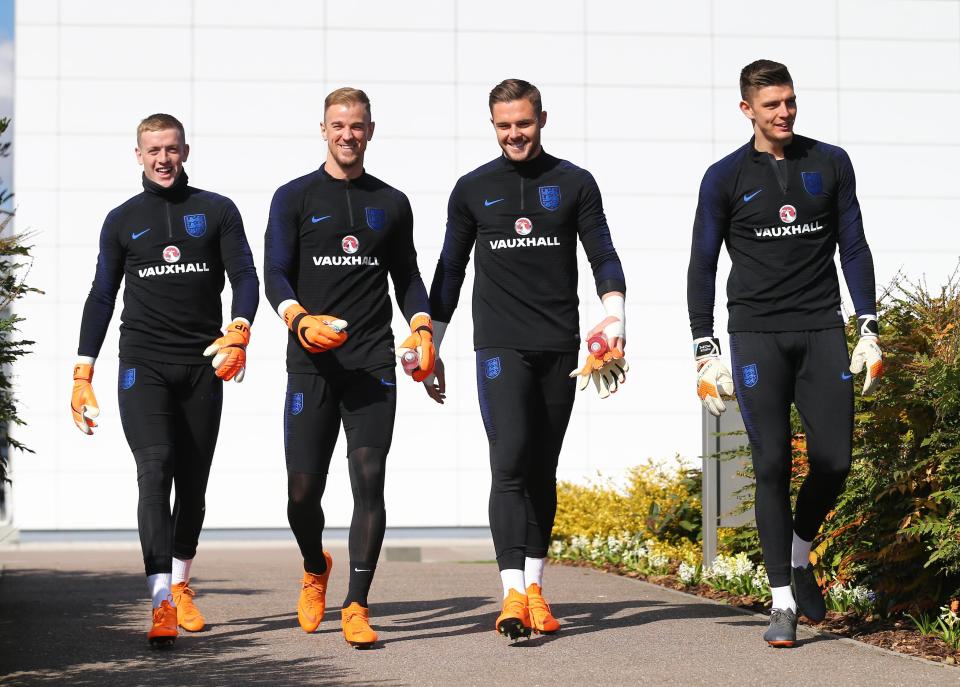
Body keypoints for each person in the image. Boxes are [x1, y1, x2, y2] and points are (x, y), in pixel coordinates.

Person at [686, 60, 882, 647]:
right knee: (770, 462)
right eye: (771, 104)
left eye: (790, 101)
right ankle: (781, 603)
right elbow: (701, 261)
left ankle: (799, 553)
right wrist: (703, 346)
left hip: (821, 329)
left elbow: (854, 245)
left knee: (835, 461)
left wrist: (867, 325)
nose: (784, 112)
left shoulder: (830, 162)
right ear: (747, 109)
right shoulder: (723, 177)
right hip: (756, 335)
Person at [427, 78, 628, 640]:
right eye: (503, 125)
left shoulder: (575, 183)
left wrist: (616, 318)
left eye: (524, 122)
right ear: (493, 126)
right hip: (499, 345)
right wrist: (431, 342)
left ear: (542, 118)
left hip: (560, 347)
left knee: (542, 466)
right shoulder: (472, 188)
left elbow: (603, 253)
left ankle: (536, 587)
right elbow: (449, 269)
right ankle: (511, 592)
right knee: (510, 460)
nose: (514, 133)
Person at [71, 113, 260, 647]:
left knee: (193, 484)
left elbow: (245, 275)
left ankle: (181, 586)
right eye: (153, 150)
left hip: (204, 363)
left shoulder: (217, 211)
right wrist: (82, 370)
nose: (162, 159)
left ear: (185, 151)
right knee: (155, 470)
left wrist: (239, 331)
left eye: (171, 149)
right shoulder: (121, 219)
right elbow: (102, 295)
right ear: (138, 155)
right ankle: (159, 602)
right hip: (143, 364)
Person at [263, 87, 434, 649]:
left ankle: (357, 605)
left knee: (369, 480)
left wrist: (422, 325)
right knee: (300, 494)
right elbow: (275, 275)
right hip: (310, 364)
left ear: (370, 130)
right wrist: (298, 319)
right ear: (323, 129)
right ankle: (316, 566)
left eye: (357, 125)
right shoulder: (293, 197)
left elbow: (407, 277)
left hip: (371, 365)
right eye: (338, 125)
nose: (347, 134)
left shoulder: (392, 202)